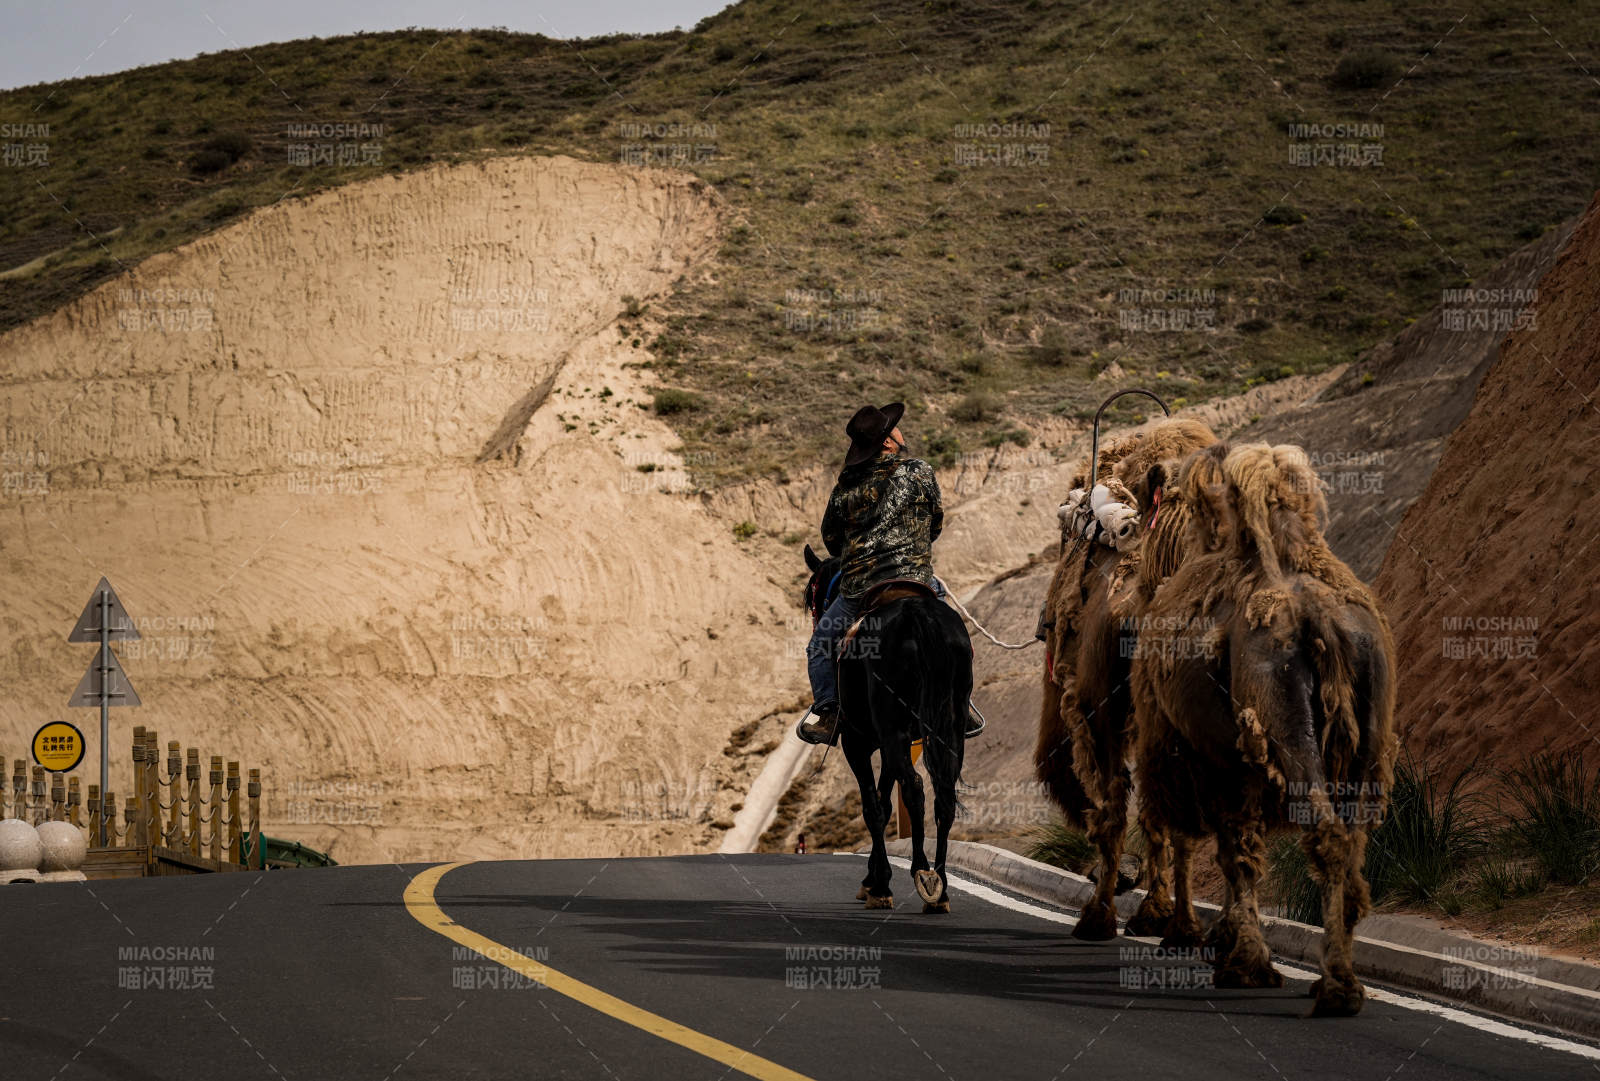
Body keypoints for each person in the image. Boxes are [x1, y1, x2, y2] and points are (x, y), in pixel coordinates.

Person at [797, 402, 985, 745]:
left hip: (861, 589)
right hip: (915, 579)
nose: (901, 432)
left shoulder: (845, 488)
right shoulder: (920, 471)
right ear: (886, 442)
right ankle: (963, 703)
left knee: (821, 646)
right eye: (894, 429)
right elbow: (936, 524)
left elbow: (833, 543)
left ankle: (828, 712)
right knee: (956, 634)